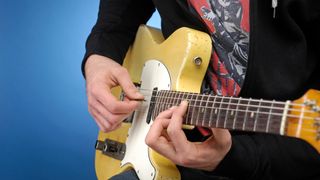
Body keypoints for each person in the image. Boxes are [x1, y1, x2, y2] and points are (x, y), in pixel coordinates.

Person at [82, 0, 320, 179]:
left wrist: (231, 157)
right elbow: (120, 15)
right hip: (164, 154)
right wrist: (99, 57)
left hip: (275, 159)